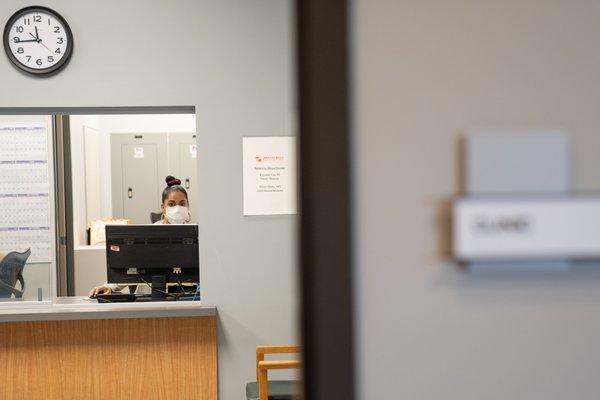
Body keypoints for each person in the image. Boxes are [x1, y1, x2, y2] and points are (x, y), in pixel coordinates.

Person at [89, 175, 191, 296]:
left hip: (186, 296)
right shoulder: (149, 235)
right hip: (150, 297)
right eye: (172, 204)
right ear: (163, 208)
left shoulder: (197, 235)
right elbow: (129, 265)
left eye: (182, 204)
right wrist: (108, 286)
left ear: (188, 206)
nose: (178, 209)